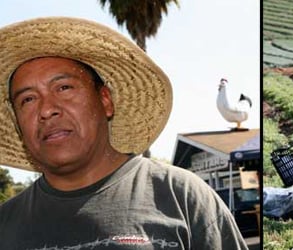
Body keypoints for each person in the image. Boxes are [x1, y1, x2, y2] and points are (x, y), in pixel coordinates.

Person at [0, 17, 248, 249]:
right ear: (19, 124)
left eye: (64, 87)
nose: (46, 110)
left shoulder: (182, 196)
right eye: (28, 99)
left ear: (105, 100)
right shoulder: (5, 224)